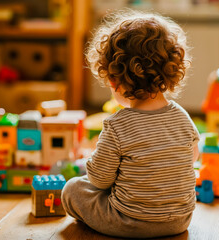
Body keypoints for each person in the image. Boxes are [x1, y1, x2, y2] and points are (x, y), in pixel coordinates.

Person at [61, 10, 199, 238]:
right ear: (170, 72)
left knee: (73, 189)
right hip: (179, 220)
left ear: (114, 81)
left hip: (130, 222)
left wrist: (96, 157)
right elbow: (192, 156)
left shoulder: (117, 125)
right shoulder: (182, 116)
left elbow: (99, 180)